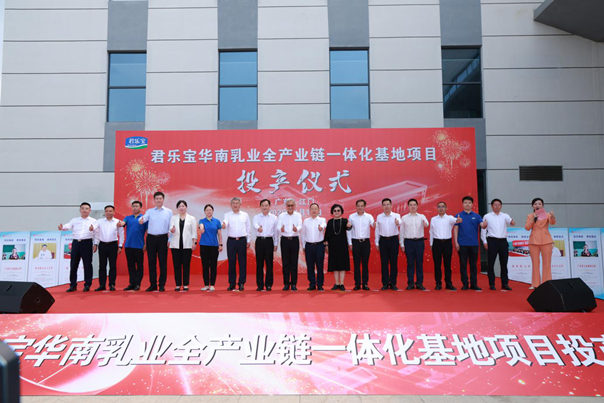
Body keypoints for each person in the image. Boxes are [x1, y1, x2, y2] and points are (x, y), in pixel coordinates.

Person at [58, 202, 99, 292]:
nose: (84, 210)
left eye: (86, 209)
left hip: (87, 243)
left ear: (90, 210)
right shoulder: (75, 220)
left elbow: (96, 234)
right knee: (73, 264)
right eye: (83, 208)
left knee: (87, 264)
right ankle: (73, 285)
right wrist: (62, 227)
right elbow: (68, 226)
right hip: (76, 243)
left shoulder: (94, 221)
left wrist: (95, 244)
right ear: (80, 210)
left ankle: (87, 284)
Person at [139, 191, 173, 292]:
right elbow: (144, 218)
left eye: (160, 198)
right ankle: (153, 284)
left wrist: (170, 239)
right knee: (151, 262)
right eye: (157, 198)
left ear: (163, 199)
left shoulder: (169, 211)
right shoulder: (150, 211)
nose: (158, 200)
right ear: (154, 200)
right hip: (151, 239)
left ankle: (162, 284)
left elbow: (171, 226)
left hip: (163, 238)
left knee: (163, 262)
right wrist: (141, 220)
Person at [481, 199, 515, 291]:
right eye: (495, 205)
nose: (497, 206)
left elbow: (511, 221)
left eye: (499, 205)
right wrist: (484, 241)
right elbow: (483, 229)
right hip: (492, 241)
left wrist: (512, 222)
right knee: (491, 263)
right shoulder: (487, 216)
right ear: (492, 206)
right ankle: (492, 283)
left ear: (501, 206)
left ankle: (505, 283)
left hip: (503, 242)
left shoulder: (505, 215)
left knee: (504, 263)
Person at [453, 196, 487, 291]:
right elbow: (455, 229)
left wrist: (485, 225)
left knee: (473, 265)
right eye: (465, 202)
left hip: (474, 244)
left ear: (472, 204)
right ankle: (465, 284)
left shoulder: (477, 216)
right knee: (463, 265)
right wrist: (456, 242)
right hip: (462, 244)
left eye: (469, 203)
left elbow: (482, 225)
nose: (467, 204)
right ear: (462, 204)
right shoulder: (458, 216)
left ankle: (473, 284)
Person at [525, 197, 556, 289]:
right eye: (535, 204)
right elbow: (527, 228)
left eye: (539, 204)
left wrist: (552, 216)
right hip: (534, 241)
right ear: (532, 206)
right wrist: (533, 219)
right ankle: (535, 284)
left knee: (547, 263)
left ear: (543, 205)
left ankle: (547, 284)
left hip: (546, 240)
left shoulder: (547, 215)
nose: (537, 205)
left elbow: (552, 222)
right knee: (535, 263)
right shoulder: (530, 216)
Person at [430, 201, 462, 290]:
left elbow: (456, 220)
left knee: (447, 264)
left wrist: (458, 220)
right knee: (437, 265)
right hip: (436, 243)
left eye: (443, 206)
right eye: (439, 207)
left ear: (446, 208)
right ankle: (438, 283)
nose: (441, 208)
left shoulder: (449, 218)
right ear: (437, 208)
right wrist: (431, 243)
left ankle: (448, 283)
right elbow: (431, 231)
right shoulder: (433, 219)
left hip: (447, 243)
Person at [117, 201, 147, 291]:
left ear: (141, 208)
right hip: (128, 245)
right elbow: (123, 222)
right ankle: (132, 283)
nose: (135, 208)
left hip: (139, 246)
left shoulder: (144, 218)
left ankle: (138, 284)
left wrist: (146, 244)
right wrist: (120, 223)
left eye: (137, 206)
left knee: (139, 266)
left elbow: (148, 232)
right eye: (133, 206)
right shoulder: (128, 218)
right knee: (131, 266)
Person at [400, 199, 430, 290]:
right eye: (411, 205)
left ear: (417, 206)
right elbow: (401, 231)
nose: (412, 206)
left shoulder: (421, 216)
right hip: (408, 242)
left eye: (414, 205)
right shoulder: (404, 218)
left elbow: (426, 224)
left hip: (419, 242)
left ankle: (419, 283)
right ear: (408, 206)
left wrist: (425, 223)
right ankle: (410, 283)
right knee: (410, 263)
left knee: (419, 263)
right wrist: (402, 244)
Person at [222, 197, 251, 291]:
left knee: (242, 262)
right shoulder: (227, 215)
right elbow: (225, 222)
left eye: (237, 203)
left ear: (240, 205)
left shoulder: (245, 215)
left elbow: (248, 228)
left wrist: (248, 240)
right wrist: (224, 224)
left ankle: (241, 283)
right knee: (231, 262)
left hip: (242, 240)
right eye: (233, 203)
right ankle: (232, 283)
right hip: (231, 241)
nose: (235, 205)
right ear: (231, 205)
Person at [94, 205, 124, 292]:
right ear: (104, 212)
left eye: (110, 211)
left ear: (114, 212)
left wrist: (120, 246)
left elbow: (121, 234)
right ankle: (102, 285)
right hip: (102, 245)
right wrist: (95, 243)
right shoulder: (99, 221)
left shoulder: (118, 222)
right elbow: (96, 232)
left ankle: (112, 284)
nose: (108, 212)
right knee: (102, 266)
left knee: (112, 266)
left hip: (113, 245)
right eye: (107, 211)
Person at [169, 200, 197, 292]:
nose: (181, 208)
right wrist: (172, 230)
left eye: (183, 206)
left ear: (186, 207)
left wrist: (194, 242)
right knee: (176, 265)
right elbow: (170, 229)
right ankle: (178, 284)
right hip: (175, 245)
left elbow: (194, 232)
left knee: (186, 265)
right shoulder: (173, 218)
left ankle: (185, 284)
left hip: (187, 245)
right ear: (177, 208)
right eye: (179, 206)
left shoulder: (191, 218)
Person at [347, 199, 375, 291]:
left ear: (364, 206)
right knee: (356, 264)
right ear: (356, 207)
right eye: (358, 206)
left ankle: (365, 283)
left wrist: (375, 224)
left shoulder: (369, 216)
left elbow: (373, 224)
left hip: (365, 242)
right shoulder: (351, 216)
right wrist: (350, 243)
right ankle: (357, 284)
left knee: (365, 264)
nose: (360, 207)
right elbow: (349, 230)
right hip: (355, 242)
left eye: (362, 206)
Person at [375, 198, 401, 290]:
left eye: (388, 204)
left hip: (394, 240)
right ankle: (385, 283)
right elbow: (377, 230)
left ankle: (393, 283)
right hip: (383, 241)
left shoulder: (396, 215)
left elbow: (400, 222)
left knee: (394, 262)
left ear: (391, 205)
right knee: (384, 263)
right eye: (384, 205)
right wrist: (376, 242)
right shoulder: (379, 216)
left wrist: (398, 222)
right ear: (382, 206)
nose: (386, 206)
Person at [253, 199, 278, 291]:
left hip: (269, 241)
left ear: (269, 206)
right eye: (263, 205)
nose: (264, 207)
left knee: (269, 263)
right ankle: (260, 285)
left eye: (266, 205)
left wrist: (275, 243)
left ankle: (268, 284)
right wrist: (258, 228)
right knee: (259, 263)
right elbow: (255, 225)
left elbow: (276, 232)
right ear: (260, 207)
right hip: (259, 241)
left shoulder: (274, 218)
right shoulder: (256, 217)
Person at [278, 199, 303, 291]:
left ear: (295, 206)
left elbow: (300, 225)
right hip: (284, 240)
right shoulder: (281, 215)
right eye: (288, 205)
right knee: (285, 263)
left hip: (294, 240)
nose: (290, 207)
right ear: (286, 206)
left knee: (294, 262)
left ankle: (293, 284)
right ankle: (286, 284)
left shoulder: (298, 215)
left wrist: (297, 229)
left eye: (292, 205)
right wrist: (281, 229)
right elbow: (278, 226)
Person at [324, 204, 351, 290]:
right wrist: (326, 245)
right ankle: (336, 283)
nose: (336, 212)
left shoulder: (344, 221)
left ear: (341, 212)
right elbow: (327, 235)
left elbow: (349, 229)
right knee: (335, 265)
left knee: (342, 264)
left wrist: (349, 226)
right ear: (332, 212)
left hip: (343, 246)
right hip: (332, 246)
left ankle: (342, 283)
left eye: (338, 210)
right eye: (335, 211)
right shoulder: (330, 222)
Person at [302, 203, 327, 291]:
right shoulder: (306, 221)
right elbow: (303, 234)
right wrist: (303, 246)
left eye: (315, 209)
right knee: (310, 266)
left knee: (320, 265)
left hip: (319, 245)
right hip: (309, 246)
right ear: (309, 210)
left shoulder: (322, 220)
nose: (314, 210)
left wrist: (321, 227)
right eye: (312, 209)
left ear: (318, 210)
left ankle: (320, 284)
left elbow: (324, 224)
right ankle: (312, 283)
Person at [199, 204, 222, 291]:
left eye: (210, 210)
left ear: (213, 211)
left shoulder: (217, 221)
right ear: (204, 212)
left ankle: (212, 284)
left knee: (213, 266)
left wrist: (220, 244)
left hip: (214, 246)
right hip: (204, 246)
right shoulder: (202, 221)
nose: (208, 211)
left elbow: (219, 233)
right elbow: (201, 226)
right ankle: (206, 285)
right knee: (205, 266)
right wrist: (201, 229)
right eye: (207, 210)